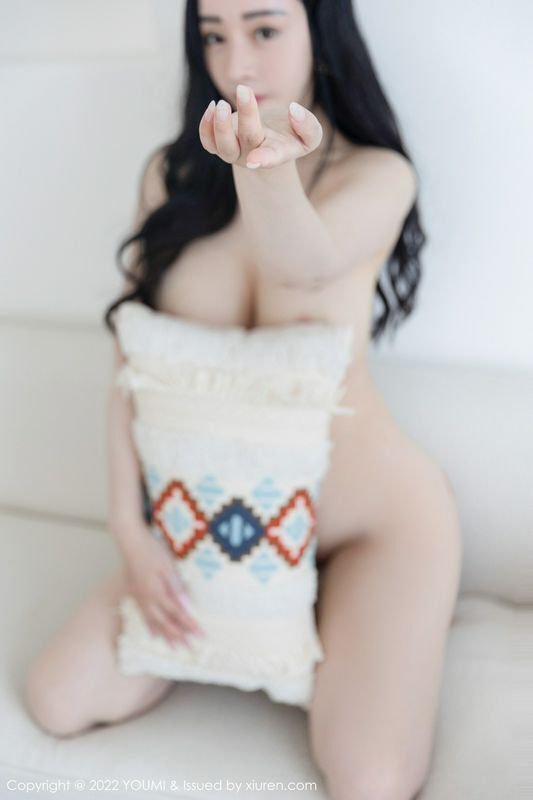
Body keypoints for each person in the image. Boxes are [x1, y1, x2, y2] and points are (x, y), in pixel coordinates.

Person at [24, 2, 463, 798]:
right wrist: (129, 528)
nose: (236, 65)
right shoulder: (170, 178)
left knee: (367, 781)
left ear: (320, 32)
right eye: (213, 35)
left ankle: (341, 613)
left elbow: (303, 264)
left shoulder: (376, 175)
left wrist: (265, 169)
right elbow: (132, 359)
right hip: (214, 523)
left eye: (263, 29)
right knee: (58, 697)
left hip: (371, 531)